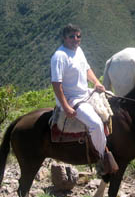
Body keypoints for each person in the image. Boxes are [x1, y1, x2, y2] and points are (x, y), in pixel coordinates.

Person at [50, 24, 118, 174]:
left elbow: (86, 69)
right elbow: (56, 85)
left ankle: (103, 145)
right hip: (72, 99)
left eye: (78, 36)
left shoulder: (78, 51)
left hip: (84, 92)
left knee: (112, 103)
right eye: (71, 36)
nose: (76, 39)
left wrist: (97, 83)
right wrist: (66, 107)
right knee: (96, 124)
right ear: (64, 38)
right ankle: (102, 158)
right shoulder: (59, 56)